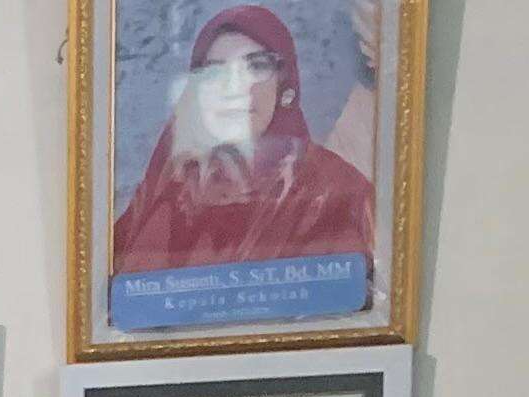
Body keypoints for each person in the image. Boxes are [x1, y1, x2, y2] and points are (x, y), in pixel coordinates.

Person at [109, 5, 377, 278]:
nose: (234, 87)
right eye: (215, 71)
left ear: (284, 84)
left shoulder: (337, 194)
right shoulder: (168, 191)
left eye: (256, 66)